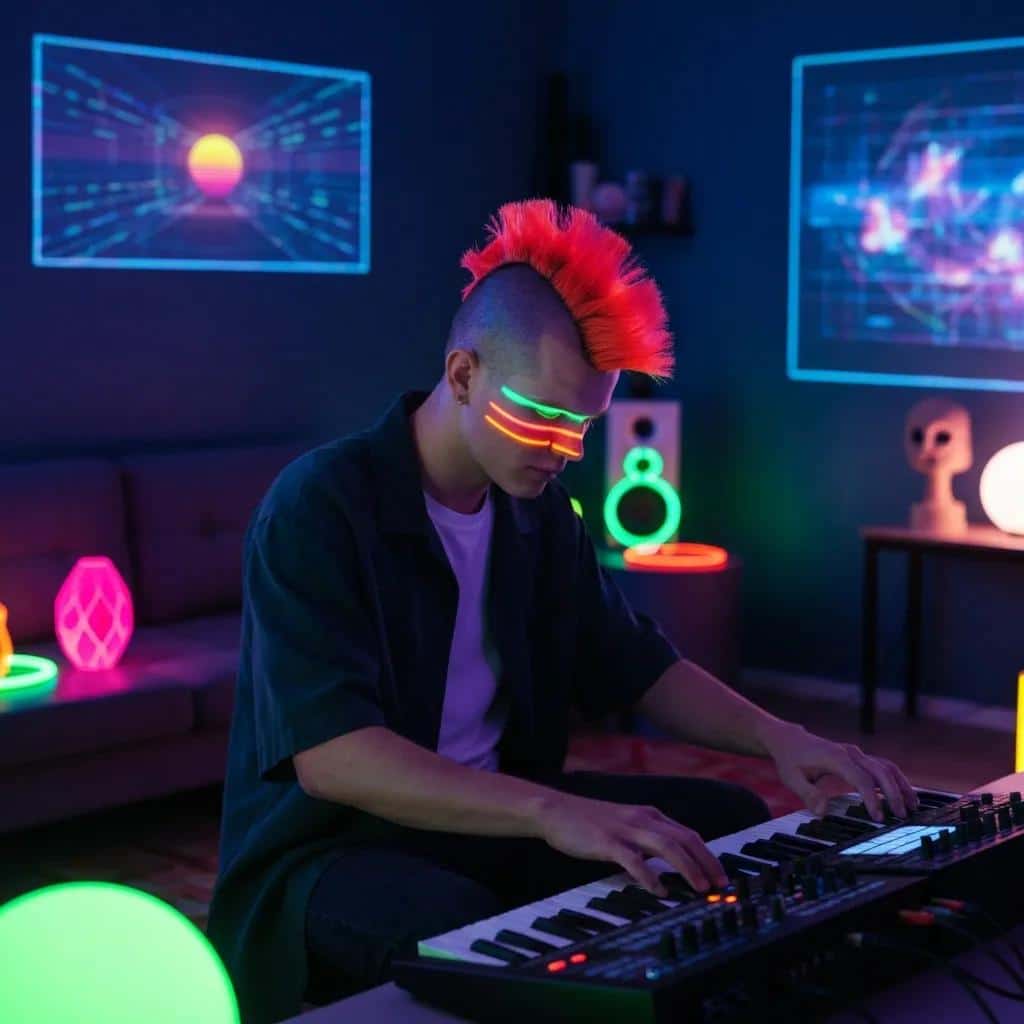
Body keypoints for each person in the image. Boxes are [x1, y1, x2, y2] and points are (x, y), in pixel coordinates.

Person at [207, 199, 919, 1023]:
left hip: (491, 812)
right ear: (463, 373)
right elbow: (336, 760)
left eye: (582, 424)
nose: (566, 450)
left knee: (723, 827)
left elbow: (633, 661)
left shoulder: (539, 514)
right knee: (460, 929)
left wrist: (783, 740)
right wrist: (555, 812)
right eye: (542, 417)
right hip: (329, 848)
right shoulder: (322, 505)